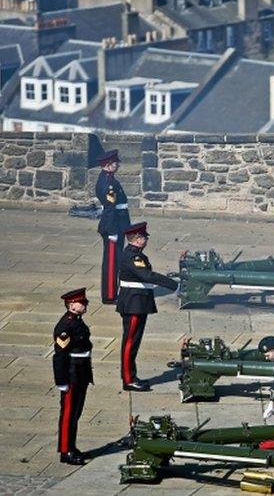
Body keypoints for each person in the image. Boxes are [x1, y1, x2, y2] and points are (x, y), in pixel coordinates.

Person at [116, 222, 179, 391]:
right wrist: (173, 284)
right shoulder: (133, 256)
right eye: (144, 237)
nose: (146, 240)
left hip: (137, 303)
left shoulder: (136, 254)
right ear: (137, 239)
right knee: (130, 343)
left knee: (133, 342)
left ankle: (130, 375)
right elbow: (147, 275)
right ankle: (128, 380)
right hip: (133, 304)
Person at [53, 288, 94, 466]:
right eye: (82, 302)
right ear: (71, 305)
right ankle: (65, 450)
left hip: (81, 372)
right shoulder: (65, 326)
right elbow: (60, 356)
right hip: (71, 374)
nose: (85, 304)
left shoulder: (77, 320)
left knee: (76, 413)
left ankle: (72, 446)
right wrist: (61, 381)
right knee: (68, 414)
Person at [94, 150, 130, 304]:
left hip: (118, 224)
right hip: (113, 226)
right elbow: (110, 209)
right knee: (111, 264)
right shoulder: (109, 184)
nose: (118, 165)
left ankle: (113, 293)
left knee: (116, 261)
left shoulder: (109, 179)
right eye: (115, 163)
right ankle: (109, 296)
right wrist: (113, 231)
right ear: (108, 166)